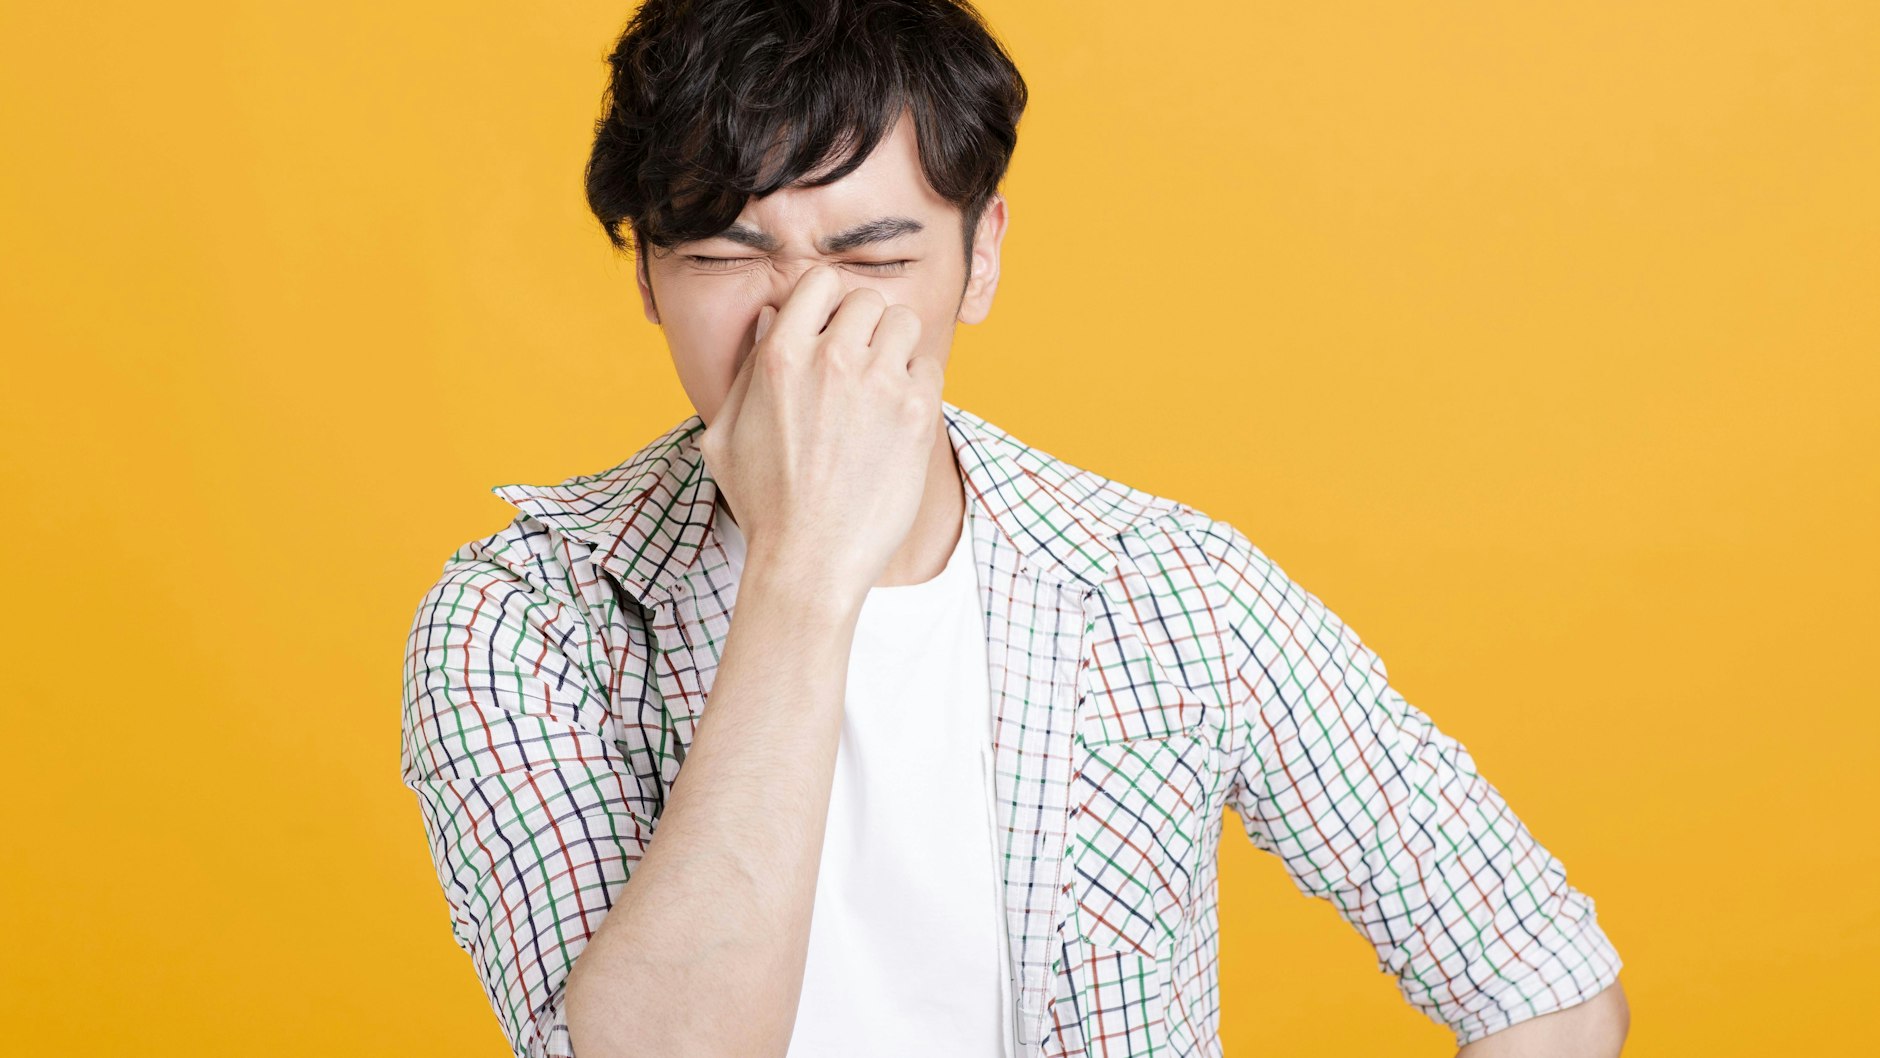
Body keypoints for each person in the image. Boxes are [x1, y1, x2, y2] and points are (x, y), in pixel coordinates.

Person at [398, 2, 1630, 1056]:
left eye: (872, 257)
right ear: (647, 277)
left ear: (978, 260)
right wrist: (805, 559)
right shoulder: (525, 619)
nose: (802, 330)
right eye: (729, 255)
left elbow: (1545, 987)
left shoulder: (1167, 586)